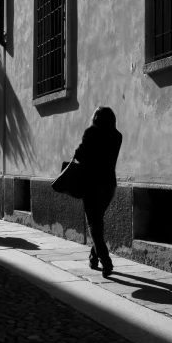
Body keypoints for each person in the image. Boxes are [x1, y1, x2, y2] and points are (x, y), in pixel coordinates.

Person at [73, 106, 122, 278]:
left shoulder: (91, 132)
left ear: (95, 118)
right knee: (97, 221)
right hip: (109, 185)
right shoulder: (117, 136)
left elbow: (79, 155)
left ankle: (105, 260)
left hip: (92, 184)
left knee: (93, 223)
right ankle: (93, 258)